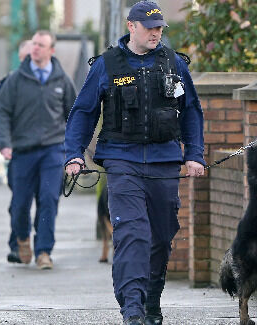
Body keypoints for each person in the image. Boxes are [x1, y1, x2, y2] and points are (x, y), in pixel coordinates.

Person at [63, 2, 206, 324]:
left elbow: (192, 111)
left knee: (161, 236)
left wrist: (194, 154)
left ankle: (151, 299)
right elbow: (84, 112)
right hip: (121, 161)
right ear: (132, 26)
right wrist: (73, 153)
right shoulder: (107, 64)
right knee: (132, 234)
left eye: (159, 28)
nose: (156, 33)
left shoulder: (173, 63)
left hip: (165, 162)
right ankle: (132, 309)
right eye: (149, 27)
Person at [0, 30, 76, 270]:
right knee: (19, 204)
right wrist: (5, 143)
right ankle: (21, 238)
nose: (35, 49)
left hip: (53, 150)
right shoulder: (16, 80)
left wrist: (74, 150)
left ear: (51, 50)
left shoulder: (62, 80)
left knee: (49, 199)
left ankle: (44, 251)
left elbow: (75, 115)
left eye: (41, 45)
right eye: (34, 44)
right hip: (23, 151)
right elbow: (0, 112)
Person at [0, 39, 33, 185]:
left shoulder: (55, 81)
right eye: (25, 57)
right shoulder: (10, 82)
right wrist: (5, 141)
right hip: (19, 148)